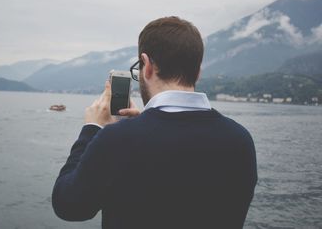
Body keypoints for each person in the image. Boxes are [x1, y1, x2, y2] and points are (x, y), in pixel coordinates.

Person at [52, 16, 257, 229]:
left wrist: (91, 129)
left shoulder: (118, 140)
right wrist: (142, 125)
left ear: (147, 65)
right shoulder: (240, 140)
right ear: (197, 72)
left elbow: (68, 205)